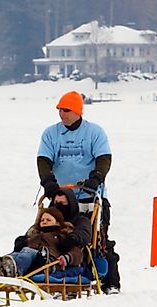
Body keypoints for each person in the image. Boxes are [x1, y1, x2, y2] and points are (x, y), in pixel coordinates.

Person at [37, 91, 120, 293]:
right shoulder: (51, 133)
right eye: (59, 110)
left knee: (96, 240)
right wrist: (48, 181)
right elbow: (44, 160)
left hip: (91, 196)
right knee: (54, 235)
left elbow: (104, 157)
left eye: (66, 110)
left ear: (77, 111)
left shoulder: (94, 132)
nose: (61, 114)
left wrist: (96, 177)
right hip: (62, 197)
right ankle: (55, 274)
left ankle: (110, 281)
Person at [0, 207, 83, 278]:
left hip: (49, 261)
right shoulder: (34, 235)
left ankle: (16, 271)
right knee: (16, 254)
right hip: (31, 260)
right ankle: (1, 265)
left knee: (27, 251)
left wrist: (67, 258)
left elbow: (77, 252)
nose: (44, 222)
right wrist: (21, 242)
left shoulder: (62, 236)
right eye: (42, 220)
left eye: (48, 220)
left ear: (58, 223)